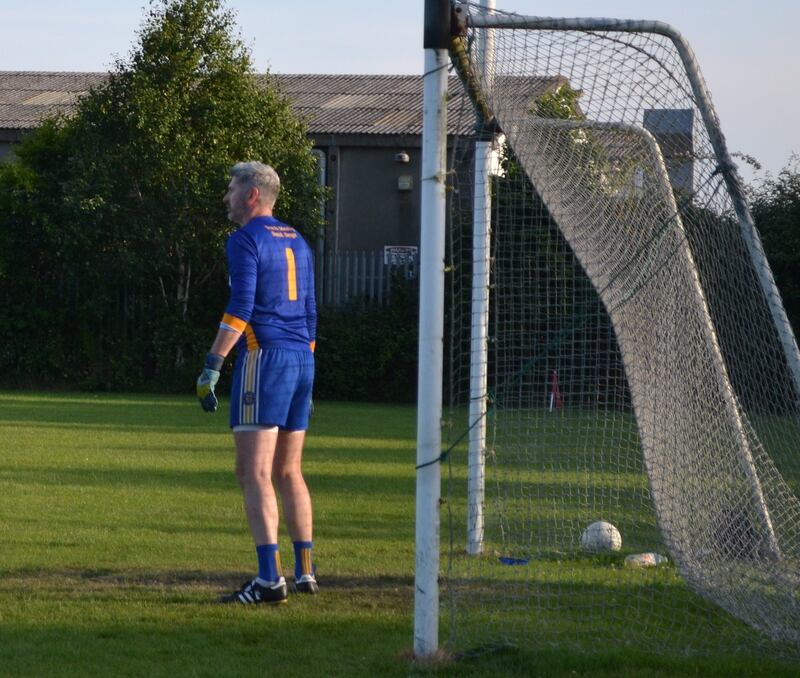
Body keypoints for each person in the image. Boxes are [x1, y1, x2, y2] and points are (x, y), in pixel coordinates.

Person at [196, 161, 318, 605]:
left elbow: (241, 306)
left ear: (252, 195)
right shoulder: (298, 239)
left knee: (253, 471)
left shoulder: (244, 239)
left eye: (231, 189)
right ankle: (304, 572)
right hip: (301, 358)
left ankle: (269, 581)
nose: (226, 197)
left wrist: (213, 362)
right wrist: (303, 358)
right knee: (289, 470)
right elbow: (310, 310)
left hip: (263, 358)